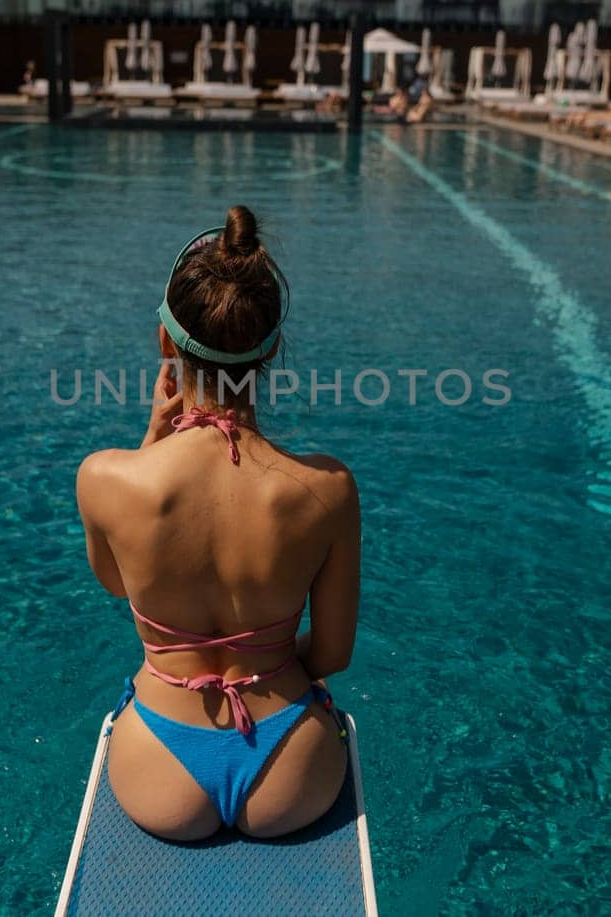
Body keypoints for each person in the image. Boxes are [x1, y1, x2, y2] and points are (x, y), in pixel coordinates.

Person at [76, 207, 359, 841]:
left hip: (158, 762)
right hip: (294, 766)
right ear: (271, 349)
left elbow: (118, 586)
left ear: (166, 344)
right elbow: (334, 654)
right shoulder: (328, 490)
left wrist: (149, 449)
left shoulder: (103, 478)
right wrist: (268, 669)